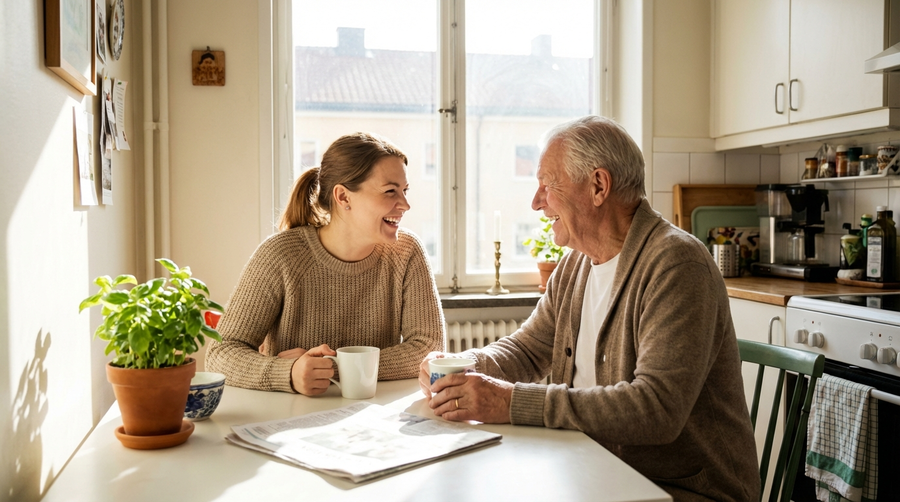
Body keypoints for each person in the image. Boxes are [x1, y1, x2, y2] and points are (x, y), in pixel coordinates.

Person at [419, 116, 759, 501]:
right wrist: (466, 364)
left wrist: (511, 401)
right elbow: (528, 348)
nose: (536, 201)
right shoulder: (577, 263)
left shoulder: (677, 265)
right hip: (593, 464)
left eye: (547, 184)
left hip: (679, 488)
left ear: (598, 186)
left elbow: (656, 409)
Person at [208, 132, 444, 395]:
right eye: (390, 191)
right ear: (343, 197)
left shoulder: (407, 252)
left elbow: (428, 347)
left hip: (374, 417)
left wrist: (333, 368)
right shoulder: (279, 255)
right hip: (288, 418)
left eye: (405, 190)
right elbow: (221, 352)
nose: (405, 204)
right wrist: (288, 372)